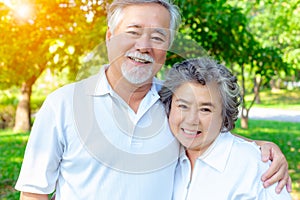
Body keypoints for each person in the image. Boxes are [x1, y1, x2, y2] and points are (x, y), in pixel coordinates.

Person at [15, 0, 291, 199]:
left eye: (157, 37)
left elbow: (203, 133)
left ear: (167, 48)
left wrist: (260, 149)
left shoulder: (172, 103)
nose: (144, 46)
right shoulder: (63, 104)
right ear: (110, 37)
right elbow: (34, 192)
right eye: (133, 32)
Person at [159, 57, 292, 199]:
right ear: (169, 106)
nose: (191, 120)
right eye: (183, 106)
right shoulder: (166, 155)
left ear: (224, 116)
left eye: (205, 109)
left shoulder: (255, 166)